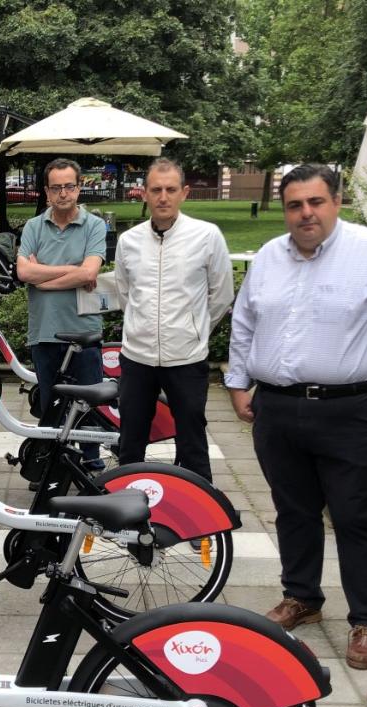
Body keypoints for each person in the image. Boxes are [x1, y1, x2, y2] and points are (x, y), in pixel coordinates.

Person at [225, 163, 367, 670]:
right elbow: (245, 322)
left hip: (353, 409)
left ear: (336, 202)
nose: (306, 213)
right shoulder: (267, 257)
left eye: (315, 202)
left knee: (356, 517)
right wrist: (239, 381)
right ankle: (302, 596)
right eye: (295, 205)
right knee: (294, 511)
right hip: (278, 408)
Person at [113, 158, 233, 482]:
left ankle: (202, 519)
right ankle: (124, 513)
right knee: (131, 441)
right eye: (156, 190)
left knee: (192, 441)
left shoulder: (207, 236)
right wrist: (141, 326)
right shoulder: (129, 242)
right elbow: (126, 295)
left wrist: (195, 330)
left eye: (170, 189)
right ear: (144, 194)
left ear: (184, 193)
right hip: (137, 357)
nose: (163, 197)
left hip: (186, 358)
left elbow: (222, 294)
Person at [17, 157, 107, 476]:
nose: (63, 193)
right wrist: (73, 270)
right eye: (56, 188)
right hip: (44, 331)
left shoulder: (95, 225)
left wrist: (44, 278)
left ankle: (92, 463)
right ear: (46, 192)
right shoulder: (33, 226)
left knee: (88, 405)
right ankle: (50, 466)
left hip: (84, 331)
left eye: (69, 186)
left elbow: (91, 272)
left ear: (79, 188)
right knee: (50, 405)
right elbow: (23, 271)